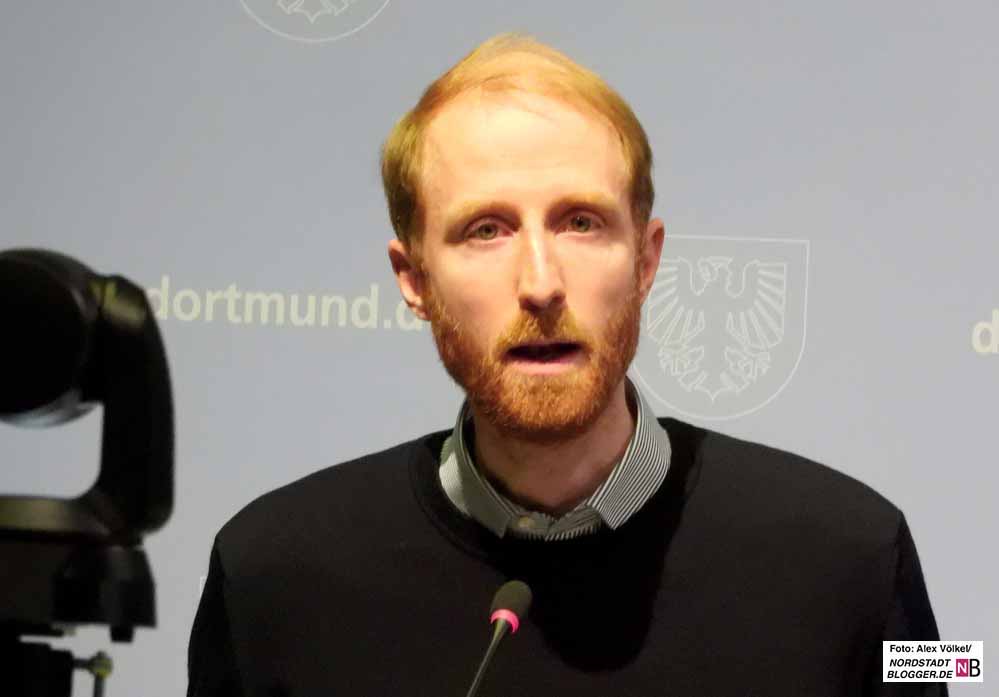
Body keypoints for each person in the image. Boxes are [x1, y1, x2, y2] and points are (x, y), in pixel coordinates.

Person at [187, 33, 944, 696]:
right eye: (486, 230)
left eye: (580, 223)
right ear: (413, 279)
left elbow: (951, 671)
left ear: (645, 261)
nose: (541, 283)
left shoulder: (859, 553)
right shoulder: (268, 574)